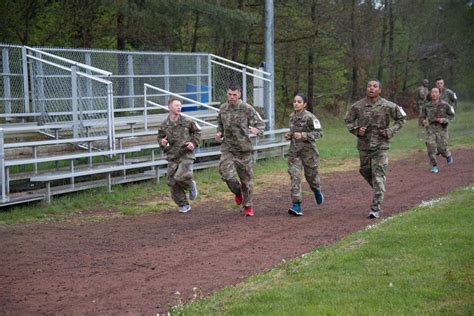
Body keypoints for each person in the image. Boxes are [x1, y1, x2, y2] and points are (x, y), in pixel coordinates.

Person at [344, 79, 406, 219]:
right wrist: (356, 130)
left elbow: (401, 119)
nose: (371, 88)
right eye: (369, 86)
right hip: (364, 146)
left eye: (375, 86)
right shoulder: (357, 106)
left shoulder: (388, 105)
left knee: (378, 176)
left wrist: (390, 131)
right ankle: (380, 189)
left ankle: (375, 208)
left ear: (380, 90)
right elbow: (348, 121)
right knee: (365, 171)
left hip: (381, 146)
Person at [214, 84, 265, 217]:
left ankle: (248, 206)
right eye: (230, 94)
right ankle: (237, 192)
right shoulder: (223, 108)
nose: (232, 97)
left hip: (243, 149)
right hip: (228, 147)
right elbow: (220, 124)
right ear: (227, 94)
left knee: (246, 179)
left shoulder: (246, 108)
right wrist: (219, 133)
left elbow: (261, 124)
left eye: (234, 94)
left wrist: (257, 130)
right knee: (226, 174)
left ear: (239, 94)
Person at [157, 97, 201, 213]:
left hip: (186, 154)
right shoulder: (164, 125)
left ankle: (190, 185)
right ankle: (183, 204)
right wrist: (162, 143)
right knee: (172, 181)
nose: (179, 107)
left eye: (180, 105)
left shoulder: (187, 121)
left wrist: (193, 143)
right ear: (169, 107)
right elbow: (160, 139)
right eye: (176, 105)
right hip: (172, 155)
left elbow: (197, 132)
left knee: (180, 176)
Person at [285, 93, 324, 216]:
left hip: (309, 153)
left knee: (311, 177)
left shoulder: (310, 117)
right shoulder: (292, 117)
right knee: (295, 177)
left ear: (305, 104)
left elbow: (320, 133)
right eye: (295, 101)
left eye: (299, 102)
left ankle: (316, 190)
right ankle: (296, 205)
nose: (296, 103)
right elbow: (292, 132)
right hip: (295, 153)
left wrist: (304, 135)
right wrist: (289, 135)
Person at [419, 87, 455, 174]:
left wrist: (444, 120)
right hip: (430, 129)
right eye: (432, 92)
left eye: (436, 92)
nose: (434, 94)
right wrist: (423, 121)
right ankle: (434, 166)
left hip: (441, 129)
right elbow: (422, 117)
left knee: (441, 149)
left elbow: (451, 115)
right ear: (430, 94)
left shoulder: (445, 105)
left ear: (439, 94)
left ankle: (448, 155)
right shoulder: (426, 106)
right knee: (430, 147)